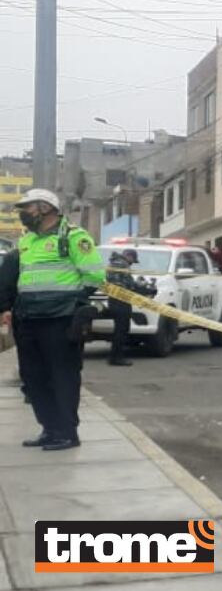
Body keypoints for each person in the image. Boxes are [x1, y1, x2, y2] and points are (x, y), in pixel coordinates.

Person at [0, 189, 106, 451]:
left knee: (62, 376)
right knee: (33, 377)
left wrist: (76, 305)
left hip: (60, 319)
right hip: (29, 319)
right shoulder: (26, 241)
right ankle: (49, 428)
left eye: (27, 207)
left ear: (45, 208)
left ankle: (67, 432)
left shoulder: (73, 237)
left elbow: (94, 276)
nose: (23, 213)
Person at [105, 248, 139, 367]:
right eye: (133, 260)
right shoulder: (123, 265)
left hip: (113, 300)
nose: (132, 263)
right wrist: (143, 288)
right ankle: (117, 358)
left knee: (119, 330)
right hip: (121, 301)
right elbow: (129, 285)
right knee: (122, 330)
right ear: (129, 256)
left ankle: (114, 356)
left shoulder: (112, 263)